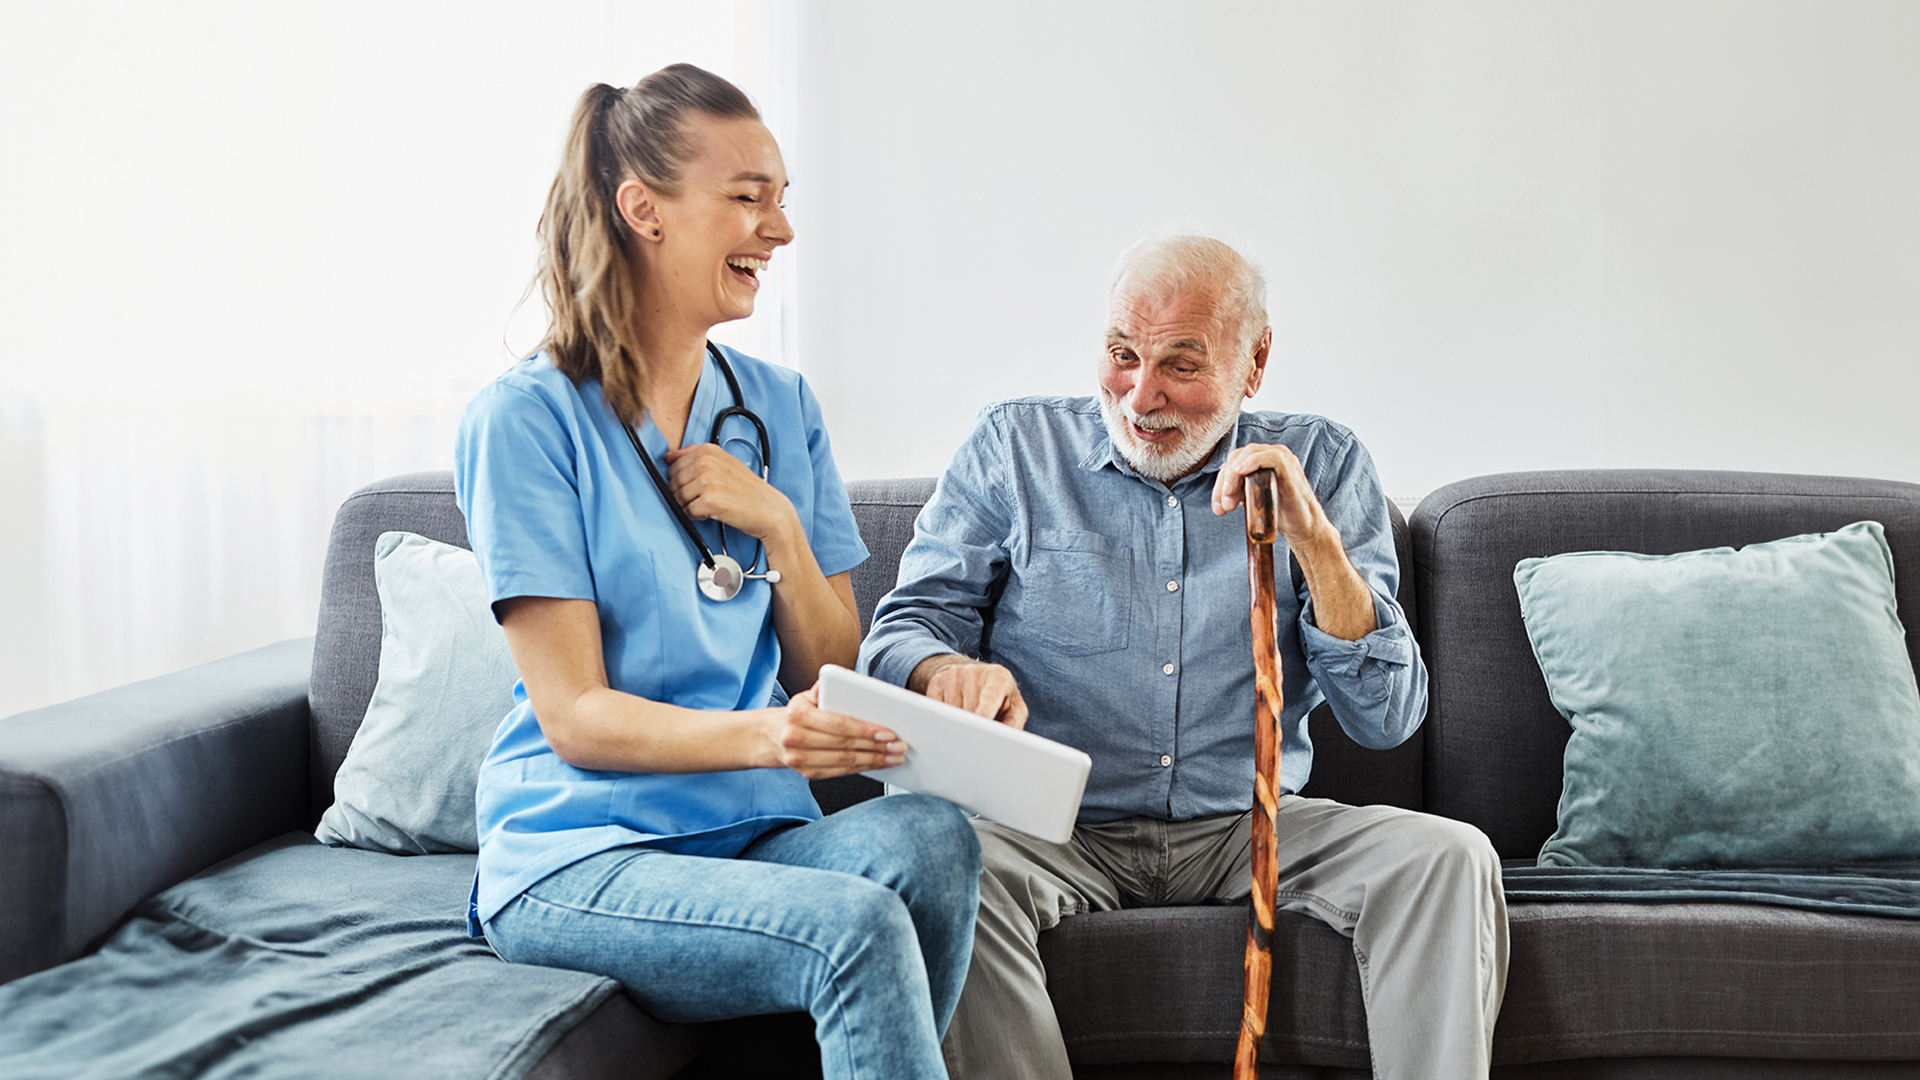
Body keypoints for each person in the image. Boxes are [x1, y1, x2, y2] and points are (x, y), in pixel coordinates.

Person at [859, 234, 1508, 1080]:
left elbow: (1386, 720)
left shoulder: (1328, 462)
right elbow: (901, 631)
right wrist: (945, 671)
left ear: (1255, 362)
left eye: (1181, 364)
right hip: (1059, 827)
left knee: (1450, 859)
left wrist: (1315, 543)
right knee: (936, 867)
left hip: (1251, 826)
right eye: (1122, 355)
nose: (1141, 396)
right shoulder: (1013, 449)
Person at [454, 64, 980, 1080]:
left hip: (752, 836)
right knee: (859, 927)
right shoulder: (525, 421)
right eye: (748, 198)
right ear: (643, 209)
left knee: (935, 839)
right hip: (582, 855)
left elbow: (829, 667)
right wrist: (769, 737)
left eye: (783, 200)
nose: (778, 231)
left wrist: (777, 524)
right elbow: (576, 717)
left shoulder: (780, 407)